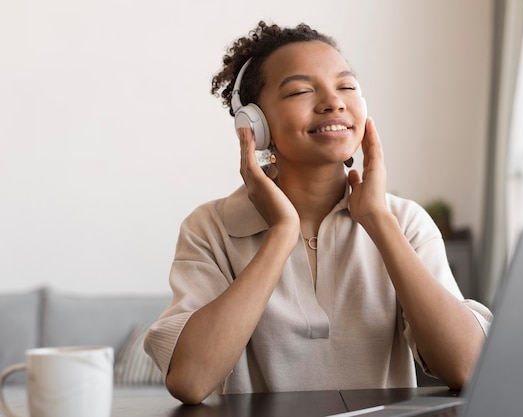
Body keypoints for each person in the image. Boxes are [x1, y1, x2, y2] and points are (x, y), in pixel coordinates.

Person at [144, 20, 492, 405]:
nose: (333, 102)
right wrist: (281, 232)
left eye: (346, 86)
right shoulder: (208, 229)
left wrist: (377, 221)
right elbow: (191, 380)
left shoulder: (404, 221)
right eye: (301, 91)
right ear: (254, 125)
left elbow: (469, 367)